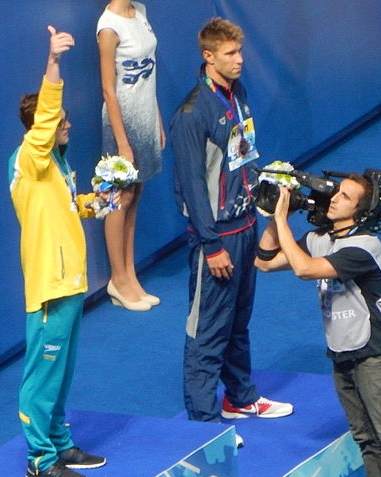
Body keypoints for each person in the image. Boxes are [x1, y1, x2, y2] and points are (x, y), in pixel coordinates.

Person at [255, 175, 381, 477]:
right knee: (368, 439)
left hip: (376, 355)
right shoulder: (320, 239)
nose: (334, 199)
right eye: (336, 192)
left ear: (360, 211)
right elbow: (265, 261)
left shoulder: (364, 246)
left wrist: (283, 220)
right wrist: (273, 214)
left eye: (345, 197)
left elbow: (304, 270)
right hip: (342, 353)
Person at [168, 17, 293, 427]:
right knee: (207, 330)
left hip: (244, 227)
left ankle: (239, 397)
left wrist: (264, 192)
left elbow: (242, 154)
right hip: (217, 237)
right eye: (230, 53)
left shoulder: (237, 93)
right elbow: (190, 186)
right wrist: (211, 244)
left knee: (238, 321)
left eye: (239, 51)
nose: (240, 60)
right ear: (208, 57)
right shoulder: (191, 113)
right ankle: (203, 424)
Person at [9, 25, 113, 477]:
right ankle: (39, 458)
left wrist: (101, 201)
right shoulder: (30, 161)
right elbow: (48, 115)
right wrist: (54, 64)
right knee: (42, 374)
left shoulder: (59, 165)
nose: (67, 126)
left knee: (62, 371)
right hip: (49, 284)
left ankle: (58, 441)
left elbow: (67, 208)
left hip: (71, 281)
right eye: (60, 123)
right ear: (41, 131)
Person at [97, 0, 164, 311]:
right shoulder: (108, 27)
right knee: (119, 197)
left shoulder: (141, 11)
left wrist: (158, 119)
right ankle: (117, 279)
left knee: (136, 192)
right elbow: (109, 89)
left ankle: (130, 274)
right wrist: (122, 142)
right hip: (121, 120)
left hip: (145, 115)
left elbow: (151, 72)